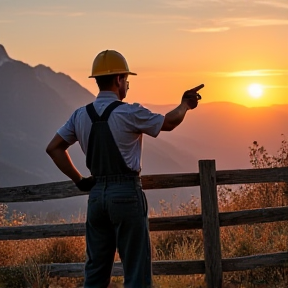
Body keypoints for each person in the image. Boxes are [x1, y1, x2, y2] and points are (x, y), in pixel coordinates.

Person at [46, 49, 203, 288]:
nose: (127, 85)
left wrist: (79, 180)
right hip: (126, 195)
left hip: (96, 198)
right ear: (118, 79)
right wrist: (185, 105)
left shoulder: (80, 115)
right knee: (136, 273)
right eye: (127, 80)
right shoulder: (129, 112)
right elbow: (168, 123)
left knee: (95, 274)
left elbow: (54, 148)